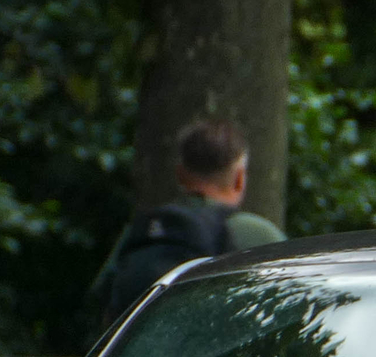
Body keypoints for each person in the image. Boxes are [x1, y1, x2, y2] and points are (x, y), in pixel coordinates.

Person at [87, 118, 286, 335]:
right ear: (239, 178)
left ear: (180, 173)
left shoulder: (147, 229)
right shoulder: (256, 233)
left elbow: (101, 294)